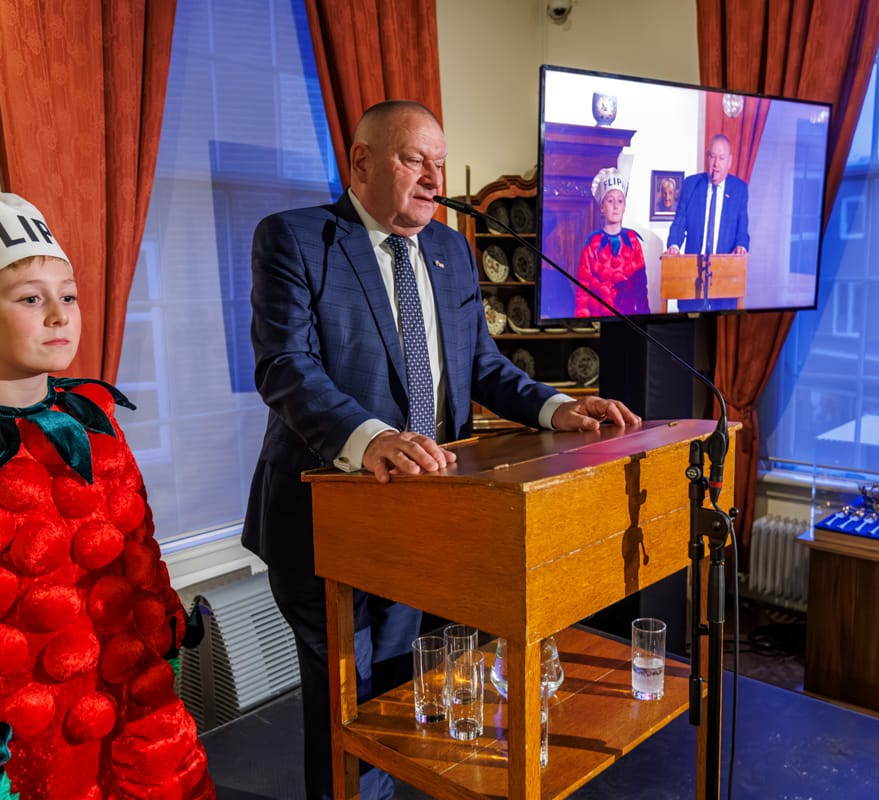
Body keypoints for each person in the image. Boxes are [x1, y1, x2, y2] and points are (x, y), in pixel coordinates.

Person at [244, 99, 640, 800]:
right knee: (347, 699)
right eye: (412, 159)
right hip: (322, 515)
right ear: (361, 161)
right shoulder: (298, 239)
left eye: (437, 161)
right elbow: (285, 366)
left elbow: (480, 363)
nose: (432, 178)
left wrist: (558, 405)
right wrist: (373, 439)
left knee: (405, 689)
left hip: (424, 517)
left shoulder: (451, 248)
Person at [0, 186, 215, 799]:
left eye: (69, 297)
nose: (60, 315)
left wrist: (163, 633)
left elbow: (137, 544)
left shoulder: (94, 417)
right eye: (30, 299)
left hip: (135, 706)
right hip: (27, 748)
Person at [663, 134, 750, 311]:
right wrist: (674, 246)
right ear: (707, 157)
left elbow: (742, 231)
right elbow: (679, 223)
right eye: (713, 157)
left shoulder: (739, 190)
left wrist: (741, 245)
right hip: (693, 276)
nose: (716, 164)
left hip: (724, 278)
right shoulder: (692, 184)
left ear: (730, 161)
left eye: (721, 158)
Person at [574, 167, 649, 317]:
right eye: (610, 201)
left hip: (628, 322)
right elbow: (583, 292)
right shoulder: (591, 246)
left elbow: (641, 289)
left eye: (620, 201)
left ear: (625, 206)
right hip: (598, 322)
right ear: (602, 206)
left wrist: (644, 320)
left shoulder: (633, 243)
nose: (615, 206)